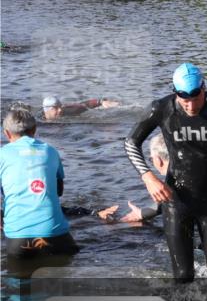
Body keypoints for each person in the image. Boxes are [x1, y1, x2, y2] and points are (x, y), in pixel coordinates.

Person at [124, 63, 207, 282]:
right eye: (184, 100)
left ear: (203, 88)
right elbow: (131, 143)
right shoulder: (160, 109)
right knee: (182, 277)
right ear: (175, 93)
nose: (190, 106)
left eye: (195, 99)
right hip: (176, 202)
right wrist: (148, 177)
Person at [0, 108, 79, 259]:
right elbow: (58, 191)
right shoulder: (50, 151)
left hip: (18, 238)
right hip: (55, 234)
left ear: (7, 133)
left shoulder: (1, 154)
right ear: (35, 129)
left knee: (17, 279)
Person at [42, 96, 120, 121]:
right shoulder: (38, 121)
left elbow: (84, 105)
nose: (60, 109)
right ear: (47, 109)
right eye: (56, 108)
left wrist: (101, 102)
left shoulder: (67, 111)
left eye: (60, 106)